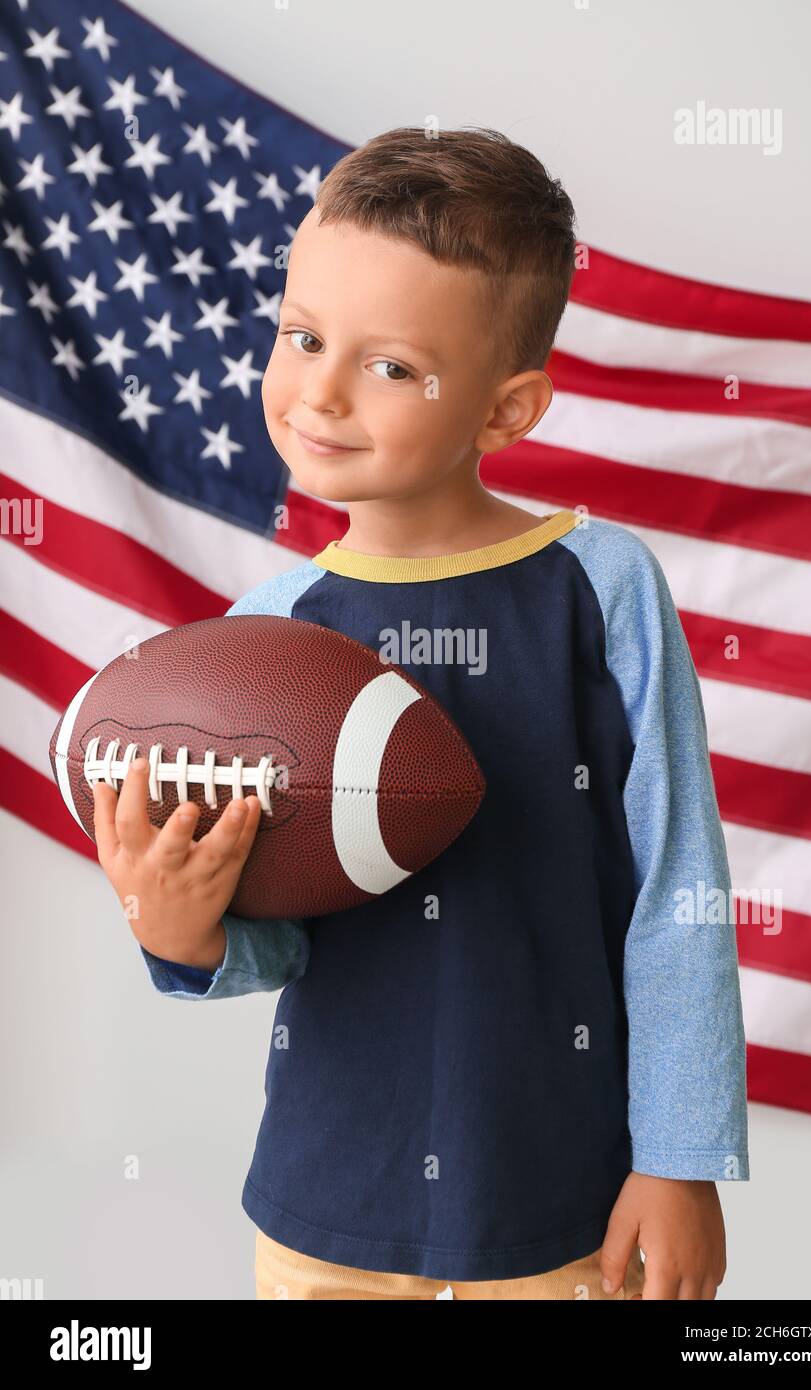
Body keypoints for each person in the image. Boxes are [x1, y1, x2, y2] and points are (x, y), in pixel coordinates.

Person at [93, 126, 749, 1301]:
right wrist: (179, 931)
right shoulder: (263, 639)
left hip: (563, 1199)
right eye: (301, 337)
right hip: (327, 1191)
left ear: (506, 410)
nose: (321, 392)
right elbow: (279, 935)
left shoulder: (598, 588)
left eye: (391, 366)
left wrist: (681, 1159)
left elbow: (676, 888)